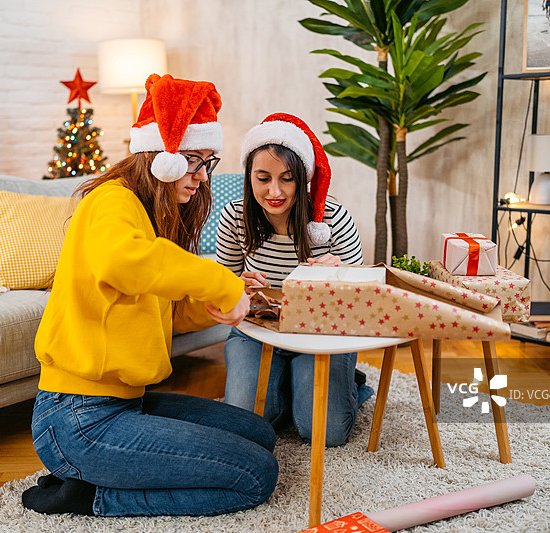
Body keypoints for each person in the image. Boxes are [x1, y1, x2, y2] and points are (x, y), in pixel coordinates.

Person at [21, 74, 279, 518]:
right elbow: (127, 262)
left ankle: (102, 472)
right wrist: (219, 279)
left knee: (259, 435)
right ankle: (92, 495)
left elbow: (169, 311)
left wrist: (226, 303)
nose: (201, 176)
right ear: (161, 158)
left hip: (125, 402)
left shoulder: (151, 215)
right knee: (257, 476)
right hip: (77, 420)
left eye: (207, 162)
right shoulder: (111, 202)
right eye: (194, 161)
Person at [216, 113, 371, 447]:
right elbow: (222, 289)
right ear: (249, 177)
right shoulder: (233, 218)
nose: (275, 191)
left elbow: (362, 299)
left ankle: (347, 385)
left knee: (322, 432)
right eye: (263, 178)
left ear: (303, 178)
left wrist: (340, 273)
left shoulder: (332, 219)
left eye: (287, 178)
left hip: (321, 333)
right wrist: (236, 286)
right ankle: (291, 387)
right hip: (257, 332)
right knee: (247, 422)